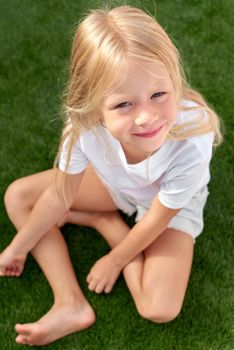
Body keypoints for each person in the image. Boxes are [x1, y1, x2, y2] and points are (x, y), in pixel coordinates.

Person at [0, 5, 222, 347]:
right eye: (123, 105)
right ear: (92, 105)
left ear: (173, 81)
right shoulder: (84, 127)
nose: (147, 117)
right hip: (115, 186)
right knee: (18, 196)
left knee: (157, 307)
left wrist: (115, 260)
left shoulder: (192, 137)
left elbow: (158, 219)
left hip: (169, 207)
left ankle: (106, 223)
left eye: (159, 94)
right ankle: (69, 302)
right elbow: (60, 195)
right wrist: (18, 248)